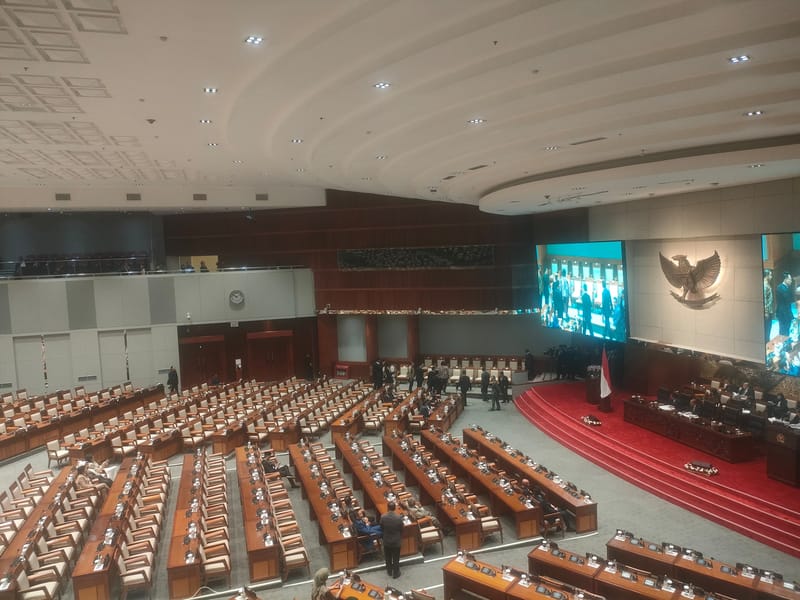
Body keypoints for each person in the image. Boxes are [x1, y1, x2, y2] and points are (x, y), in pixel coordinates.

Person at [380, 501, 404, 578]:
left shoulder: (383, 517)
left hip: (386, 540)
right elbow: (401, 529)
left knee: (388, 557)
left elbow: (381, 528)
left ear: (387, 508)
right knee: (396, 558)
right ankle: (396, 573)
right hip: (396, 541)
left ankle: (389, 571)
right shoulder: (399, 518)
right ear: (395, 508)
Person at [776, 272, 795, 337]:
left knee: (787, 330)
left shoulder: (787, 288)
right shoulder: (780, 288)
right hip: (783, 314)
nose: (791, 281)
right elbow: (786, 301)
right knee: (783, 331)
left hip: (787, 313)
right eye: (790, 279)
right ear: (785, 279)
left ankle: (786, 342)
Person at [764, 269, 775, 340]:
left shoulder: (768, 284)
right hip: (767, 312)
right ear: (767, 275)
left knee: (769, 329)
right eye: (770, 275)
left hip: (769, 310)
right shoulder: (765, 285)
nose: (771, 277)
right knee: (767, 330)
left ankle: (768, 341)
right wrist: (766, 312)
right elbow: (764, 299)